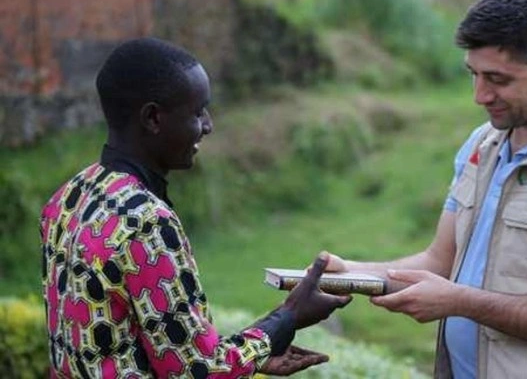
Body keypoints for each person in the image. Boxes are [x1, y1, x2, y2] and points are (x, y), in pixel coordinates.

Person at [325, 0, 527, 379]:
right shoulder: (482, 146)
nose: (480, 95)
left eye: (497, 79)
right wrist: (350, 274)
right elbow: (439, 262)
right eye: (474, 75)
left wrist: (461, 302)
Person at [40, 37, 351, 378]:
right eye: (197, 111)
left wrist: (257, 352)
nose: (208, 125)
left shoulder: (69, 197)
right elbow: (195, 372)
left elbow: (159, 346)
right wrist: (289, 317)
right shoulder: (146, 223)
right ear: (154, 118)